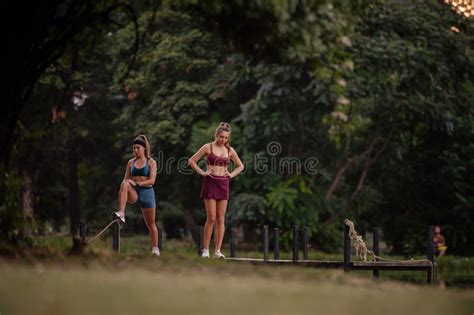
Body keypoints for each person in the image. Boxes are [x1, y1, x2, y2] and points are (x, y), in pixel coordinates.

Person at [188, 122, 244, 258]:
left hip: (223, 184)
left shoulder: (229, 150)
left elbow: (240, 166)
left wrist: (231, 174)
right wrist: (202, 172)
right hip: (210, 182)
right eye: (221, 137)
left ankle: (218, 251)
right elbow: (191, 161)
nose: (223, 140)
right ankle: (206, 250)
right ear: (216, 135)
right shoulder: (208, 147)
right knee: (211, 218)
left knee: (221, 218)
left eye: (225, 138)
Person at [113, 135, 160, 256]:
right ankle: (122, 212)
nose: (135, 150)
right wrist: (129, 184)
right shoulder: (130, 162)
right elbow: (126, 179)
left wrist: (137, 183)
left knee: (151, 224)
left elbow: (152, 181)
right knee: (124, 184)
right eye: (134, 148)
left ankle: (155, 248)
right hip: (134, 194)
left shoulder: (151, 162)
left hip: (147, 194)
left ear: (144, 148)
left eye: (138, 147)